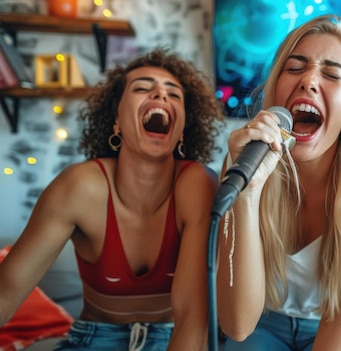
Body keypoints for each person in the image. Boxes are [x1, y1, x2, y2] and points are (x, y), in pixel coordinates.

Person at [0, 48, 223, 350]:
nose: (160, 95)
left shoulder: (198, 184)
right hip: (93, 339)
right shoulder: (79, 186)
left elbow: (193, 318)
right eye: (143, 88)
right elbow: (5, 295)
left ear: (182, 129)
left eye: (174, 94)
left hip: (171, 339)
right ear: (115, 120)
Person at [216, 14, 341, 351]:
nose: (308, 81)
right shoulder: (243, 160)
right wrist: (247, 196)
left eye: (331, 74)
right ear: (275, 95)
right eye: (295, 68)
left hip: (338, 324)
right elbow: (237, 325)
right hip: (262, 322)